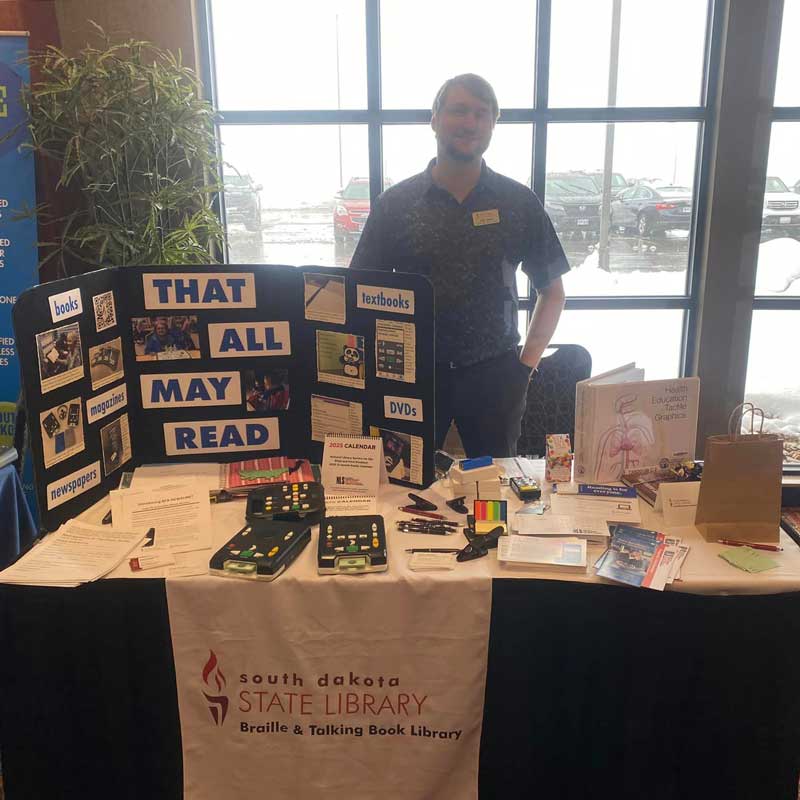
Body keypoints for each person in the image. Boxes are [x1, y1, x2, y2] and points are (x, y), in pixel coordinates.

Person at [350, 73, 569, 457]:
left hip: (495, 375)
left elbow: (552, 292)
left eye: (482, 114)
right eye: (459, 111)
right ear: (434, 119)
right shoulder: (396, 205)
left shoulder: (518, 202)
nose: (470, 123)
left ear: (493, 125)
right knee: (405, 485)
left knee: (495, 492)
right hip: (412, 375)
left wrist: (523, 369)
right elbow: (361, 294)